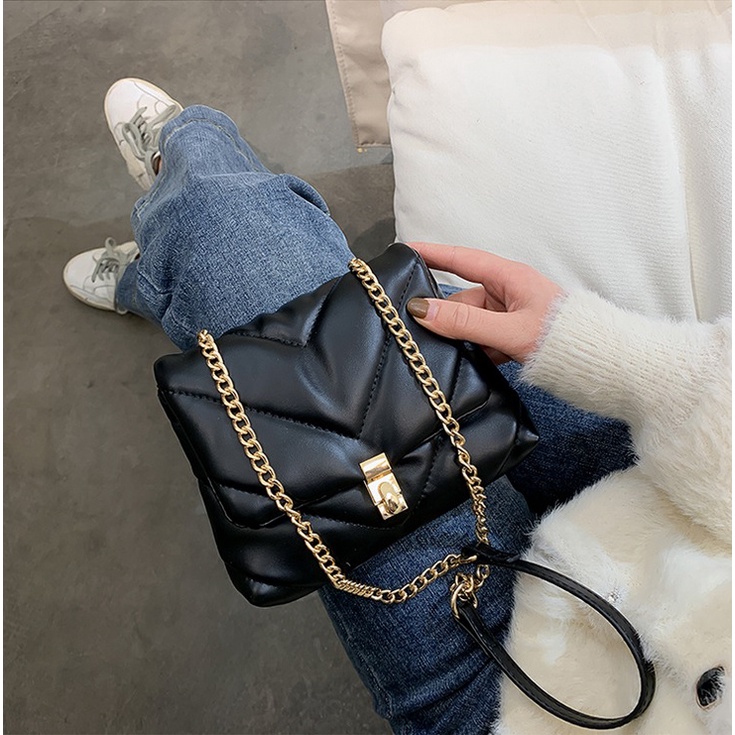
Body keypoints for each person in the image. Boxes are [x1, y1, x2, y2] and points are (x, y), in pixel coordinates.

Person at [63, 79, 731, 734]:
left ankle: (172, 200)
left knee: (230, 237)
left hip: (529, 697)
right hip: (692, 506)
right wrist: (597, 348)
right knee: (368, 315)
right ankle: (166, 255)